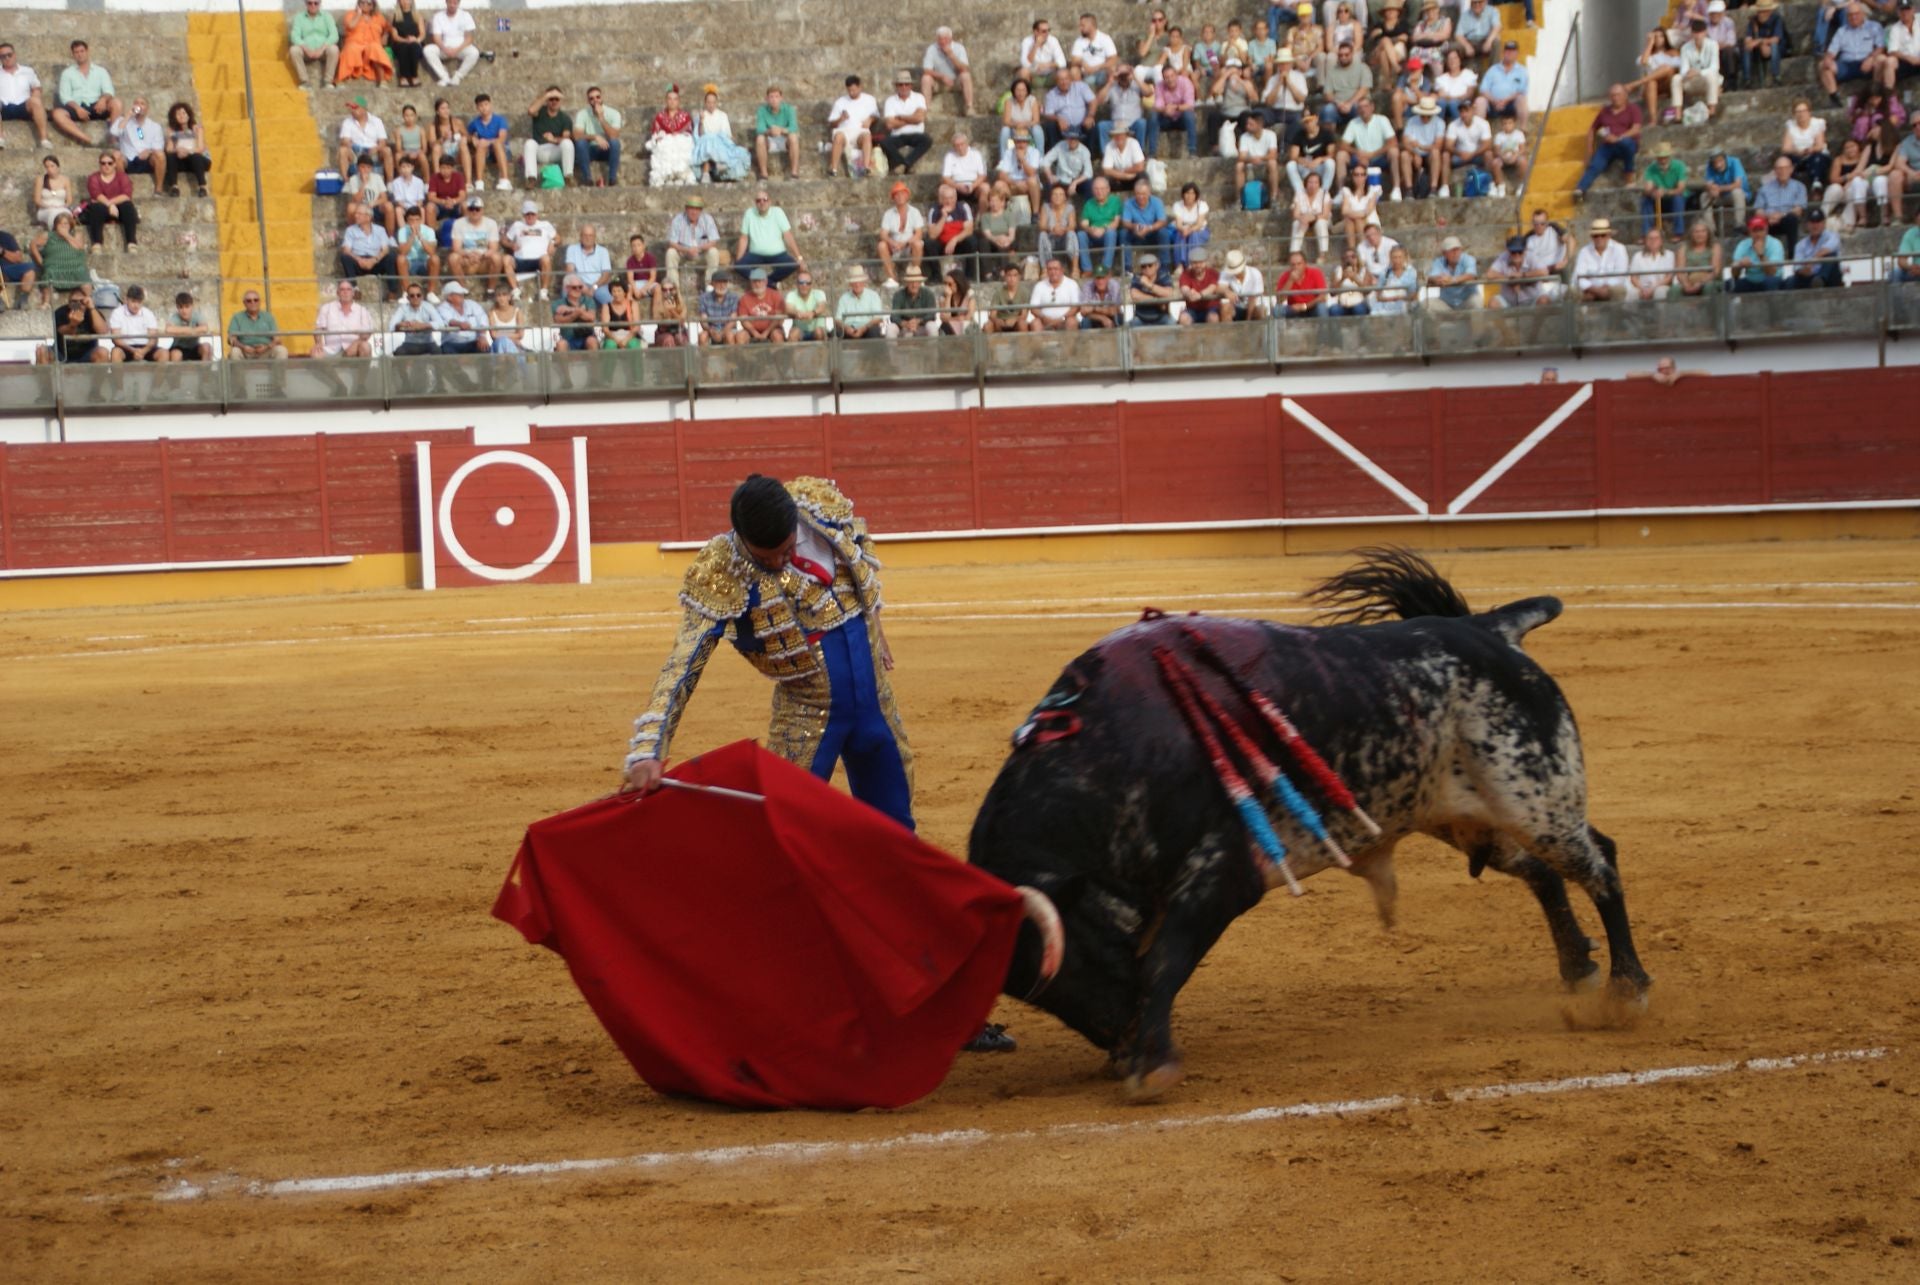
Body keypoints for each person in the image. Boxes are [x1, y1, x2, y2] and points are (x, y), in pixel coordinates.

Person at [623, 470, 916, 851]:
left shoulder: (820, 508)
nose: (779, 562)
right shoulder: (722, 571)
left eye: (787, 550)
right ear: (742, 538)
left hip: (876, 701)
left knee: (896, 829)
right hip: (807, 713)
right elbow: (681, 667)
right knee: (787, 835)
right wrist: (648, 749)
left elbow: (862, 561)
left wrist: (875, 623)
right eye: (766, 557)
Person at [1575, 84, 1643, 198]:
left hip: (1626, 142)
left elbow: (1636, 129)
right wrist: (1589, 151)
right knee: (1595, 163)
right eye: (1613, 95)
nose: (1615, 98)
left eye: (1618, 95)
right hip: (1609, 145)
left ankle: (1629, 177)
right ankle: (1581, 188)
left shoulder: (1633, 109)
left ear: (1625, 96)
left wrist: (1618, 138)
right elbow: (1592, 129)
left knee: (1626, 143)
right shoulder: (1604, 111)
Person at [734, 186, 804, 285]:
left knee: (792, 265)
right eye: (759, 200)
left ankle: (765, 282)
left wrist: (799, 257)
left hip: (778, 254)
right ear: (755, 203)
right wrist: (739, 260)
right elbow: (744, 238)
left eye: (765, 200)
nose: (762, 202)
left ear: (769, 202)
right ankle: (770, 284)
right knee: (739, 266)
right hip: (755, 254)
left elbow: (787, 235)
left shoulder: (778, 212)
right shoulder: (749, 213)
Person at [1820, 3, 1887, 106]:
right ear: (1847, 16)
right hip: (1847, 64)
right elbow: (1831, 52)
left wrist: (1871, 58)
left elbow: (1881, 47)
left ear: (1862, 14)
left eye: (1856, 14)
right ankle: (1834, 98)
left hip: (1867, 62)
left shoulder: (1874, 26)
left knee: (1881, 59)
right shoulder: (1842, 31)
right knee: (1823, 65)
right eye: (1850, 15)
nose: (1854, 17)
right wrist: (1828, 59)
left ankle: (1876, 92)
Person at [692, 86, 752, 184]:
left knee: (740, 152)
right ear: (705, 103)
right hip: (705, 144)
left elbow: (726, 134)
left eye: (713, 102)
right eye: (708, 102)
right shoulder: (700, 116)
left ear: (716, 103)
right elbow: (699, 135)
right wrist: (701, 122)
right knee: (708, 140)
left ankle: (721, 164)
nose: (711, 105)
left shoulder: (722, 115)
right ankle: (706, 172)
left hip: (720, 143)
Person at [1093, 63, 1154, 157]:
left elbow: (1149, 93)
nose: (1123, 77)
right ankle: (1105, 155)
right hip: (1116, 123)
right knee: (1102, 125)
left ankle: (1140, 153)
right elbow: (1099, 100)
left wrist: (1135, 77)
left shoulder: (1136, 86)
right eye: (1121, 74)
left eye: (1125, 74)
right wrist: (1110, 82)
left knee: (1142, 123)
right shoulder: (1112, 87)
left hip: (1133, 124)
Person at [80, 151, 137, 253]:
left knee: (127, 206)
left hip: (118, 206)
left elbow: (126, 195)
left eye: (109, 163)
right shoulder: (93, 177)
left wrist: (111, 204)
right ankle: (97, 243)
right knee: (97, 208)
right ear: (99, 164)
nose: (106, 166)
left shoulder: (122, 177)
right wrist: (110, 205)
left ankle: (131, 242)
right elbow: (96, 194)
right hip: (102, 206)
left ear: (114, 164)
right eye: (103, 163)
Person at [339, 202, 398, 299]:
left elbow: (385, 249)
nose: (356, 216)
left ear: (368, 217)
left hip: (375, 261)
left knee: (391, 255)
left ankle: (392, 291)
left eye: (359, 214)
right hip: (359, 262)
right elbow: (346, 250)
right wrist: (359, 260)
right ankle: (354, 289)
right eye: (356, 214)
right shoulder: (350, 230)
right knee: (345, 257)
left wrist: (374, 260)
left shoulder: (380, 230)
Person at [0, 41, 53, 150]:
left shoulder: (28, 71)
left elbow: (36, 88)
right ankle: (0, 139)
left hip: (23, 105)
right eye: (3, 56)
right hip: (3, 105)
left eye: (9, 55)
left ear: (14, 55)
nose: (7, 58)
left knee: (36, 101)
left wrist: (36, 97)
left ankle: (44, 139)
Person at [109, 98, 165, 198]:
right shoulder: (123, 120)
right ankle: (123, 189)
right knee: (116, 156)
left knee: (160, 155)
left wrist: (149, 151)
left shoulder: (155, 126)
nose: (139, 105)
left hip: (147, 159)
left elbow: (158, 146)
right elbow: (115, 133)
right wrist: (127, 116)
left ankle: (159, 189)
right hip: (128, 159)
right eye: (136, 103)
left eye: (142, 104)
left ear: (147, 108)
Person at [1339, 95, 1395, 193]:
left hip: (1379, 157)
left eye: (1365, 106)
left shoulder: (1382, 120)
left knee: (1394, 152)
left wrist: (1372, 155)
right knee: (1341, 155)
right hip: (1360, 158)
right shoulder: (1353, 123)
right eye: (1360, 107)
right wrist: (1357, 152)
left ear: (1372, 107)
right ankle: (1341, 191)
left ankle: (1396, 188)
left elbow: (1393, 142)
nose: (1363, 110)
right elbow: (1343, 145)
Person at [447, 196, 503, 294]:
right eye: (471, 209)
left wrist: (481, 255)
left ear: (482, 210)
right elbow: (456, 247)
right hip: (467, 259)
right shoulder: (458, 223)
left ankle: (491, 289)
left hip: (483, 259)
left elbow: (494, 247)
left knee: (497, 258)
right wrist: (468, 255)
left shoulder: (491, 223)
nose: (474, 212)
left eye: (477, 209)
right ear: (467, 210)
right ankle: (462, 288)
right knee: (453, 258)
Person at [826, 74, 879, 179]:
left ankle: (866, 167)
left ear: (860, 87)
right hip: (844, 131)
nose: (851, 93)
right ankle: (834, 169)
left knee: (866, 136)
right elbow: (832, 123)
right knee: (838, 137)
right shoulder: (840, 102)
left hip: (860, 131)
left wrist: (870, 120)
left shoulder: (869, 99)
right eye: (849, 90)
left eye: (854, 90)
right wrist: (841, 119)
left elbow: (876, 115)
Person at [523, 87, 576, 189]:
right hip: (539, 149)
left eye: (557, 99)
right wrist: (547, 95)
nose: (554, 102)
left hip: (556, 150)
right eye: (551, 99)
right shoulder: (540, 112)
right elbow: (530, 111)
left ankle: (568, 176)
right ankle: (531, 178)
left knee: (567, 144)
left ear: (560, 101)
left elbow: (566, 137)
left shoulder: (565, 118)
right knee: (529, 143)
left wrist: (554, 139)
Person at [1755, 154, 1809, 253]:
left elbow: (1798, 211)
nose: (1782, 171)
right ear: (1775, 171)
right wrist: (1769, 216)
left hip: (1787, 220)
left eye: (1785, 168)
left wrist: (1781, 215)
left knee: (1792, 219)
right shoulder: (1765, 189)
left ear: (1791, 169)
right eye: (1779, 168)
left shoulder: (1799, 187)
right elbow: (1758, 210)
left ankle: (1793, 258)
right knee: (1757, 223)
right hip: (1769, 221)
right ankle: (1762, 258)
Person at [29, 213, 87, 306]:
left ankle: (88, 299)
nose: (63, 226)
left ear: (70, 225)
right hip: (54, 266)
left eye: (66, 224)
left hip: (74, 265)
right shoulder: (48, 235)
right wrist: (40, 260)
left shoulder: (76, 235)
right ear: (56, 225)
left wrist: (66, 236)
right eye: (61, 224)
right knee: (49, 273)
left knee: (83, 274)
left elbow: (79, 247)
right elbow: (33, 244)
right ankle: (46, 302)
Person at [503, 199, 555, 299]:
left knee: (546, 259)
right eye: (527, 214)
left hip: (538, 260)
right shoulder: (517, 225)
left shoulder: (545, 225)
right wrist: (511, 245)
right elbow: (504, 240)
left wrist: (552, 243)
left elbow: (557, 238)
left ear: (536, 214)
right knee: (506, 259)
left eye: (532, 214)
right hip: (520, 260)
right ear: (524, 215)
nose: (530, 216)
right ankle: (515, 290)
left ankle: (544, 291)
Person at [666, 194, 721, 289]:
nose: (694, 212)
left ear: (701, 210)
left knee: (714, 252)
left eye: (697, 209)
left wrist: (698, 248)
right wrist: (687, 250)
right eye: (691, 209)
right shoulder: (678, 220)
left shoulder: (707, 219)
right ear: (686, 209)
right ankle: (674, 289)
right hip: (683, 252)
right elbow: (672, 242)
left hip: (701, 253)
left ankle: (710, 288)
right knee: (670, 253)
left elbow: (713, 241)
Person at [423, 0, 482, 88]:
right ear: (446, 2)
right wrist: (445, 49)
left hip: (461, 48)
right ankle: (444, 77)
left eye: (455, 3)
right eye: (450, 3)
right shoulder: (438, 17)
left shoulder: (465, 15)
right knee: (428, 50)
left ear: (458, 3)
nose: (452, 5)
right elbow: (436, 38)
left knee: (474, 53)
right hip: (443, 48)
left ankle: (458, 76)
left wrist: (456, 50)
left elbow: (469, 38)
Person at [924, 182, 977, 280]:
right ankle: (936, 275)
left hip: (958, 243)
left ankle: (970, 276)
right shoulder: (934, 210)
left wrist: (955, 240)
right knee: (928, 243)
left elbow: (969, 230)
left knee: (972, 240)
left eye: (951, 198)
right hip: (942, 243)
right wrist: (943, 217)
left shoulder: (963, 207)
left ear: (956, 198)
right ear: (941, 199)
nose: (948, 201)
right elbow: (932, 235)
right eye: (945, 198)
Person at [312, 279, 374, 358]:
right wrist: (318, 343)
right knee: (315, 353)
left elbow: (367, 334)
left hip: (353, 349)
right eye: (342, 289)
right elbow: (318, 329)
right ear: (337, 293)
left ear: (353, 293)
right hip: (332, 349)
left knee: (365, 347)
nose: (345, 292)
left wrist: (356, 343)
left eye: (348, 289)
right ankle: (331, 371)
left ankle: (363, 371)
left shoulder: (362, 310)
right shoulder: (327, 308)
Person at [923, 25, 976, 116]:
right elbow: (927, 69)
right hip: (939, 82)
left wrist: (951, 55)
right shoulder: (932, 49)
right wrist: (942, 76)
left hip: (956, 81)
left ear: (950, 39)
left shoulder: (959, 48)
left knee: (966, 75)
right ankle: (926, 109)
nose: (943, 42)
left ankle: (969, 107)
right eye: (940, 39)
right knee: (926, 78)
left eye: (945, 39)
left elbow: (965, 68)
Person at [338, 0, 395, 85]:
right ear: (358, 4)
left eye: (369, 3)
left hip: (372, 43)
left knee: (376, 48)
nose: (365, 5)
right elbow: (351, 25)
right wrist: (358, 14)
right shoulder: (351, 14)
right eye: (362, 2)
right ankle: (341, 80)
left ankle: (382, 81)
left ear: (373, 6)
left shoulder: (378, 17)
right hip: (355, 43)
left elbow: (388, 27)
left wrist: (385, 35)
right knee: (351, 49)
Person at [105, 283, 166, 364]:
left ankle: (160, 377)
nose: (136, 305)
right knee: (116, 353)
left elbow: (153, 338)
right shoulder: (117, 313)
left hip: (146, 347)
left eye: (139, 302)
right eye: (133, 301)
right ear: (126, 300)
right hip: (125, 347)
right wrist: (133, 350)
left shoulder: (148, 313)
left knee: (164, 353)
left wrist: (143, 351)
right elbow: (116, 339)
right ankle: (117, 377)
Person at [288, 0, 341, 90]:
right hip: (306, 51)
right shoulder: (299, 18)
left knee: (334, 49)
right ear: (306, 3)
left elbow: (334, 35)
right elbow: (294, 36)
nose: (313, 5)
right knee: (294, 50)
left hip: (323, 51)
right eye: (310, 3)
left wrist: (321, 49)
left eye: (316, 3)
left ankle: (328, 82)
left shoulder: (327, 17)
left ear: (320, 3)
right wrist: (306, 49)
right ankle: (305, 82)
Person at [575, 86, 623, 187]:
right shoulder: (582, 114)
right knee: (580, 143)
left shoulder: (614, 113)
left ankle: (612, 178)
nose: (595, 100)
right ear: (588, 101)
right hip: (590, 149)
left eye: (598, 97)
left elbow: (614, 135)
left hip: (607, 148)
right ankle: (587, 178)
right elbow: (576, 135)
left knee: (615, 143)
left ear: (602, 98)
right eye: (591, 98)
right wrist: (595, 137)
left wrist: (601, 118)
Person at [1782, 99, 1832, 195]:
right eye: (1798, 112)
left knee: (1817, 157)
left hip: (1814, 154)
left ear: (1809, 112)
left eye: (1804, 111)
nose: (1801, 114)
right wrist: (1797, 151)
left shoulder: (1817, 124)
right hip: (1798, 155)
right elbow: (1785, 148)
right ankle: (1788, 187)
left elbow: (1820, 145)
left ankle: (1816, 184)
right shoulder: (1791, 125)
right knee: (1786, 160)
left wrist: (1810, 150)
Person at [1641, 141, 1688, 240]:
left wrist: (1665, 192)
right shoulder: (1651, 169)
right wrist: (1652, 192)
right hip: (1659, 198)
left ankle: (1678, 232)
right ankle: (1646, 232)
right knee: (1646, 200)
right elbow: (1647, 187)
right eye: (1660, 157)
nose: (1663, 160)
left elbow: (1680, 188)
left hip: (1674, 197)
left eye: (1665, 157)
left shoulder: (1679, 166)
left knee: (1677, 199)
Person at [338, 97, 394, 181]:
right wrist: (353, 146)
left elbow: (382, 141)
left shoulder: (377, 121)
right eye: (351, 108)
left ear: (363, 109)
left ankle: (390, 182)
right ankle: (345, 180)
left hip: (373, 151)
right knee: (343, 150)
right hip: (355, 151)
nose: (352, 110)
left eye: (355, 108)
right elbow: (345, 141)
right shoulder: (347, 122)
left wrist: (377, 148)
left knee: (387, 150)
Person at [1042, 67, 1096, 154]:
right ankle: (1055, 155)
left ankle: (1090, 156)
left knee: (1091, 124)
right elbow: (1048, 113)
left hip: (1082, 124)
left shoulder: (1081, 86)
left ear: (1071, 79)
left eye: (1066, 79)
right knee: (1050, 126)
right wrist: (1058, 119)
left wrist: (1090, 116)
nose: (1064, 82)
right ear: (1056, 82)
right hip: (1064, 127)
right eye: (1060, 80)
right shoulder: (1051, 94)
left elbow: (1092, 101)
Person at [1574, 218, 1629, 301]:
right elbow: (1577, 276)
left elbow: (1620, 275)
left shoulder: (1619, 249)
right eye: (1596, 236)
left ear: (1609, 235)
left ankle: (1617, 313)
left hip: (1610, 290)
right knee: (1573, 293)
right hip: (1591, 290)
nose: (1599, 238)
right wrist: (1596, 290)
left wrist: (1604, 289)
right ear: (1591, 237)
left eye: (1603, 235)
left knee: (1619, 290)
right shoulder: (1584, 251)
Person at [466, 93, 512, 192]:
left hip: (501, 150)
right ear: (477, 108)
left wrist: (487, 142)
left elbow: (502, 138)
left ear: (490, 105)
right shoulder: (475, 123)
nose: (484, 108)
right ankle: (479, 182)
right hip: (486, 153)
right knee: (480, 146)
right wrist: (473, 139)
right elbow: (467, 135)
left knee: (496, 144)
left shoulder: (500, 120)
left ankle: (505, 179)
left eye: (486, 104)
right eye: (481, 106)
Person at [1789, 206, 1844, 287]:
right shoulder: (1800, 245)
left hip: (1830, 277)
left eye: (1818, 222)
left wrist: (1812, 261)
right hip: (1809, 277)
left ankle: (1821, 278)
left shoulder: (1833, 236)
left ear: (1824, 223)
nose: (1815, 226)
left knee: (1831, 256)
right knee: (1789, 282)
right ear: (1807, 224)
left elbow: (1827, 249)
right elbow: (1797, 268)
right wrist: (1805, 271)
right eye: (1812, 222)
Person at [1700, 146, 1750, 234]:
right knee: (1704, 196)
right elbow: (1708, 183)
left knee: (1737, 192)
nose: (1718, 165)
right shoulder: (1710, 166)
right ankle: (1711, 230)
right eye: (1715, 163)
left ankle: (1739, 225)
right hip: (1720, 196)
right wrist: (1711, 189)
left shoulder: (1735, 162)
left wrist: (1719, 188)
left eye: (1720, 161)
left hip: (1736, 195)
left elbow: (1737, 184)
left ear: (1725, 158)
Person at [1479, 40, 1529, 128]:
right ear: (1503, 52)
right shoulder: (1493, 70)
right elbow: (1483, 89)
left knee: (1522, 99)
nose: (1509, 53)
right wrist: (1494, 100)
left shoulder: (1522, 71)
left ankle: (1523, 130)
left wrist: (1505, 101)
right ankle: (1479, 133)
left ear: (1517, 53)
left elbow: (1521, 91)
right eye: (1507, 50)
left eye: (1512, 51)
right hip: (1493, 103)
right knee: (1480, 101)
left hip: (1511, 104)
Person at [752, 85, 797, 181]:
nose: (774, 100)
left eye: (776, 97)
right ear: (767, 99)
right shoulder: (762, 110)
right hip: (769, 139)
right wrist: (770, 131)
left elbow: (794, 127)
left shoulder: (789, 109)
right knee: (760, 139)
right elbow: (760, 129)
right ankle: (764, 174)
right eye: (771, 97)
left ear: (781, 98)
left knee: (793, 137)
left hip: (784, 139)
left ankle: (794, 173)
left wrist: (781, 130)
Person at [1730, 214, 1787, 291]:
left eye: (1761, 229)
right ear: (1749, 232)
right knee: (1730, 284)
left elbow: (1772, 273)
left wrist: (1761, 255)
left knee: (1770, 281)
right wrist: (1740, 265)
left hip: (1772, 280)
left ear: (1766, 230)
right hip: (1750, 280)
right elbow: (1735, 275)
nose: (1758, 234)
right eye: (1754, 230)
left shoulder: (1776, 244)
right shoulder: (1743, 245)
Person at [227, 289, 287, 361]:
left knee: (281, 350)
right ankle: (238, 373)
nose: (253, 302)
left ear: (260, 302)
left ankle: (278, 372)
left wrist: (266, 347)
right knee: (235, 352)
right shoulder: (237, 317)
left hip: (266, 351)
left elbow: (277, 339)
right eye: (249, 301)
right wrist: (243, 347)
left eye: (256, 300)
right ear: (244, 303)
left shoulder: (268, 317)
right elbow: (232, 339)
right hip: (245, 352)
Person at [53, 286, 108, 364]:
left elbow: (103, 331)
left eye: (82, 301)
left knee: (102, 352)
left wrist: (92, 308)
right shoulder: (61, 312)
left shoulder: (93, 313)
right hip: (62, 354)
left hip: (87, 354)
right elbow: (62, 331)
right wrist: (72, 325)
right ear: (69, 303)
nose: (78, 304)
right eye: (74, 302)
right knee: (42, 351)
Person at [1079, 174, 1121, 273]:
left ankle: (1106, 268)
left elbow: (1116, 223)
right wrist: (1091, 229)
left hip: (1107, 233)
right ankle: (1087, 269)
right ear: (1093, 190)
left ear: (1108, 189)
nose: (1099, 192)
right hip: (1093, 234)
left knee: (1111, 233)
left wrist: (1103, 229)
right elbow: (1084, 224)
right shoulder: (1089, 203)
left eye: (1102, 189)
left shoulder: (1115, 201)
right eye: (1096, 189)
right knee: (1081, 235)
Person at [1744, 0, 1791, 89]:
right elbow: (1748, 40)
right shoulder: (1753, 21)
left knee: (1774, 47)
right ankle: (1747, 80)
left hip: (1777, 49)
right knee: (1747, 49)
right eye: (1760, 11)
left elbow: (1776, 39)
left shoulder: (1777, 19)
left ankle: (1776, 76)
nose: (1761, 14)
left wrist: (1760, 42)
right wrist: (1757, 44)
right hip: (1759, 49)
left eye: (1764, 11)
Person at [564, 223, 615, 305]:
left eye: (591, 235)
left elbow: (606, 274)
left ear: (595, 237)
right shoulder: (572, 249)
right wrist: (583, 287)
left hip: (598, 285)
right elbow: (570, 272)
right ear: (580, 237)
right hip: (577, 284)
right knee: (566, 295)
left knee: (610, 301)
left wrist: (594, 288)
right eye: (585, 235)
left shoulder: (603, 251)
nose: (588, 238)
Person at [437, 277, 490, 356]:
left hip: (473, 341)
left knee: (485, 348)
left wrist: (482, 336)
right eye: (458, 294)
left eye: (462, 293)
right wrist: (459, 324)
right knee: (446, 350)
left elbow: (482, 320)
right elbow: (449, 321)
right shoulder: (442, 308)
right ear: (449, 297)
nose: (462, 295)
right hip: (452, 343)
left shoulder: (472, 304)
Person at [396, 203, 440, 297]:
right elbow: (403, 252)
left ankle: (431, 292)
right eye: (411, 220)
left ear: (420, 220)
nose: (414, 222)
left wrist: (420, 236)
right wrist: (412, 236)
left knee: (435, 259)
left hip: (425, 262)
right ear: (407, 221)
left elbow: (431, 251)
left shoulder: (429, 231)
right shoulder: (402, 231)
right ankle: (406, 293)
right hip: (410, 263)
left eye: (417, 219)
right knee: (400, 259)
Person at [1425, 234, 1480, 310]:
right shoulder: (1439, 262)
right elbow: (1432, 276)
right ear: (1444, 253)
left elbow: (1471, 275)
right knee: (1426, 304)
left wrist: (1452, 280)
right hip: (1446, 303)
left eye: (1458, 249)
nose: (1456, 253)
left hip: (1465, 302)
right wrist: (1437, 280)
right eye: (1452, 250)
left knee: (1476, 301)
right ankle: (1439, 322)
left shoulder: (1468, 259)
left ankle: (1477, 322)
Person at [976, 187, 1021, 276]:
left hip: (1007, 240)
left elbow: (1012, 234)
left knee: (1004, 243)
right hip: (992, 240)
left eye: (996, 201)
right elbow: (988, 234)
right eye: (991, 201)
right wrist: (997, 238)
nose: (993, 204)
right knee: (983, 242)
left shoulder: (1009, 215)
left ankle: (1003, 272)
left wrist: (1006, 239)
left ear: (1002, 202)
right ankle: (987, 273)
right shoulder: (985, 217)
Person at [390, 279, 441, 355]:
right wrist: (400, 325)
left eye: (418, 295)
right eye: (412, 295)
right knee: (399, 353)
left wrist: (422, 326)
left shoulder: (428, 306)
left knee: (439, 352)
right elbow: (391, 326)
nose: (415, 297)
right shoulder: (403, 309)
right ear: (407, 298)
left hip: (428, 342)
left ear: (422, 297)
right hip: (410, 342)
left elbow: (440, 323)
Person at [1177, 246, 1228, 323]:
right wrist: (1189, 293)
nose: (1198, 265)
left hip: (1211, 308)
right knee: (1183, 318)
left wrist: (1200, 295)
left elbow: (1212, 287)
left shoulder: (1213, 273)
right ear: (1190, 263)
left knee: (1213, 318)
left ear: (1206, 262)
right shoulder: (1185, 274)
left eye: (1201, 262)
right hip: (1192, 309)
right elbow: (1184, 288)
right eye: (1195, 263)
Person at [1042, 129, 1096, 200]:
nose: (1072, 141)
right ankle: (1049, 208)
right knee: (1049, 185)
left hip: (1077, 181)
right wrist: (1050, 176)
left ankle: (1089, 208)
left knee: (1090, 184)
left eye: (1075, 139)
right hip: (1061, 179)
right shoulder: (1060, 146)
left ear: (1079, 140)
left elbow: (1089, 172)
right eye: (1070, 138)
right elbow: (1045, 161)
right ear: (1066, 139)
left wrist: (1075, 182)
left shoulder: (1084, 151)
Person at [1237, 112, 1282, 198]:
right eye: (1247, 124)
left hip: (1264, 164)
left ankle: (1274, 197)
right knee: (1239, 166)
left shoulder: (1270, 135)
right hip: (1250, 165)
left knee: (1272, 163)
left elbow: (1273, 155)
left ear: (1259, 124)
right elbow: (1241, 156)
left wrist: (1260, 158)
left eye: (1251, 124)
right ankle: (1239, 199)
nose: (1247, 126)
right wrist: (1251, 160)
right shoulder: (1244, 137)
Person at [834, 265, 887, 339]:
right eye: (854, 281)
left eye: (859, 281)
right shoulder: (844, 298)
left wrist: (864, 328)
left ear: (864, 282)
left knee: (875, 331)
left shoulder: (873, 296)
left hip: (867, 328)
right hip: (849, 328)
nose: (857, 284)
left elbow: (877, 318)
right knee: (836, 332)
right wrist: (846, 328)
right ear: (850, 284)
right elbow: (838, 319)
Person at [1673, 219, 1722, 298]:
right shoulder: (1683, 248)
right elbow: (1680, 272)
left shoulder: (1715, 247)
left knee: (1708, 288)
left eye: (1703, 231)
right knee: (1674, 290)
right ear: (1691, 234)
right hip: (1689, 281)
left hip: (1710, 280)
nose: (1700, 234)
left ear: (1708, 233)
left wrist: (1700, 283)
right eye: (1696, 232)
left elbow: (1715, 271)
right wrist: (1686, 285)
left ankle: (1710, 310)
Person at [343, 155, 393, 231]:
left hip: (375, 206)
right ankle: (353, 232)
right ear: (358, 167)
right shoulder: (353, 179)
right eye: (363, 167)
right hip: (361, 207)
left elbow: (384, 198)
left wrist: (374, 203)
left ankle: (390, 237)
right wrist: (364, 184)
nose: (365, 170)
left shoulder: (377, 177)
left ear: (371, 168)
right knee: (351, 207)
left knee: (389, 206)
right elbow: (357, 200)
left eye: (368, 167)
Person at [1627, 227, 1676, 302]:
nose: (1653, 241)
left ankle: (1661, 314)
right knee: (1632, 293)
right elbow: (1633, 277)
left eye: (1656, 238)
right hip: (1641, 287)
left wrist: (1653, 289)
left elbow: (1668, 278)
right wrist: (1642, 289)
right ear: (1646, 241)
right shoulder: (1638, 256)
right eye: (1650, 238)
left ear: (1661, 241)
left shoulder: (1669, 255)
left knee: (1660, 292)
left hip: (1660, 286)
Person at [697, 270, 746, 345]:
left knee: (729, 336)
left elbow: (733, 319)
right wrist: (710, 330)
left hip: (728, 329)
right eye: (719, 283)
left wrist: (723, 332)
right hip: (711, 329)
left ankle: (732, 356)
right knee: (702, 336)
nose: (722, 285)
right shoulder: (704, 298)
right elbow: (703, 319)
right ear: (712, 284)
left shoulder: (733, 297)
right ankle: (704, 356)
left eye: (724, 283)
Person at [1072, 12, 1120, 88]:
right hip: (1085, 73)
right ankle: (1079, 94)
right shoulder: (1079, 41)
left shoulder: (1105, 38)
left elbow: (1113, 59)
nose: (1080, 28)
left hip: (1102, 71)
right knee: (1074, 70)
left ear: (1091, 25)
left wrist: (1096, 68)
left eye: (1082, 26)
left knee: (1112, 69)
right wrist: (1084, 65)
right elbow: (1075, 59)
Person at [1290, 169, 1331, 257]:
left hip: (1320, 218)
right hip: (1304, 219)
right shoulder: (1299, 193)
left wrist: (1312, 217)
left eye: (1316, 182)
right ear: (1306, 183)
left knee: (1321, 223)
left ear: (1319, 184)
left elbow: (1325, 214)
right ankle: (1294, 252)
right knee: (1297, 223)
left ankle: (1322, 254)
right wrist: (1303, 219)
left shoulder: (1324, 194)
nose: (1313, 185)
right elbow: (1295, 214)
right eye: (1310, 182)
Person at [943, 132, 992, 206]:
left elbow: (982, 175)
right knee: (942, 189)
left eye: (962, 144)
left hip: (974, 185)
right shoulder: (949, 156)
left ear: (967, 144)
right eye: (957, 145)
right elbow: (945, 177)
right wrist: (957, 186)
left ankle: (981, 216)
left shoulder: (976, 154)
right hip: (956, 186)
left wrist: (972, 186)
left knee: (985, 188)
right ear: (953, 146)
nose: (960, 147)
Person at [1128, 252, 1178, 325]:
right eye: (1143, 266)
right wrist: (1156, 299)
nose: (1147, 268)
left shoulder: (1164, 276)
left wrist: (1149, 285)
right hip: (1141, 318)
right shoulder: (1137, 277)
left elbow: (1168, 293)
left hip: (1162, 317)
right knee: (1129, 326)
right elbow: (1134, 295)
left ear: (1157, 266)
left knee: (1172, 324)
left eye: (1150, 265)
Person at [553, 274, 600, 350]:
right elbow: (559, 320)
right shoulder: (558, 303)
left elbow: (591, 317)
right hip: (567, 338)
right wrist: (579, 311)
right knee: (561, 344)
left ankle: (595, 362)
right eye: (574, 287)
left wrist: (569, 310)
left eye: (580, 287)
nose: (578, 290)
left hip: (586, 336)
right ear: (566, 288)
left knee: (592, 341)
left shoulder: (589, 300)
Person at [1219, 247, 1268, 320]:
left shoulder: (1255, 274)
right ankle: (1228, 331)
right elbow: (1219, 287)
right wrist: (1227, 292)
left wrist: (1248, 320)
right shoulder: (1225, 273)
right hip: (1236, 307)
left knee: (1260, 311)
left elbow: (1253, 300)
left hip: (1254, 306)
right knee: (1225, 307)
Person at [1486, 111, 1527, 197]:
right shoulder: (1499, 136)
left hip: (1516, 156)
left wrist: (1516, 156)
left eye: (1509, 123)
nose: (1507, 126)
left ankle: (1522, 184)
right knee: (1495, 163)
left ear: (1514, 123)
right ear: (1501, 125)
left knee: (1523, 161)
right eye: (1504, 124)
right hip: (1503, 157)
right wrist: (1502, 156)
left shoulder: (1519, 134)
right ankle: (1500, 186)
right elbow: (1496, 150)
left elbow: (1522, 149)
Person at [1278, 249, 1329, 318]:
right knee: (1277, 310)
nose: (1296, 267)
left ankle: (1325, 328)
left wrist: (1305, 306)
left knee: (1321, 307)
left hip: (1312, 307)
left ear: (1305, 264)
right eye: (1293, 265)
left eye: (1299, 264)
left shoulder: (1316, 273)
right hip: (1293, 309)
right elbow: (1279, 300)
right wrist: (1290, 281)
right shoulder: (1285, 276)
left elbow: (1323, 297)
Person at [983, 262, 1032, 333]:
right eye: (1009, 275)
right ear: (1005, 277)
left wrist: (1015, 319)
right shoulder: (999, 292)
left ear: (1019, 277)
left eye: (1015, 275)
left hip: (1016, 323)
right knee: (988, 326)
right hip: (1000, 322)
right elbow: (992, 314)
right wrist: (998, 320)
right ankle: (991, 344)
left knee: (1022, 324)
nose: (1012, 278)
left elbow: (1024, 315)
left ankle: (1023, 344)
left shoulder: (1024, 292)